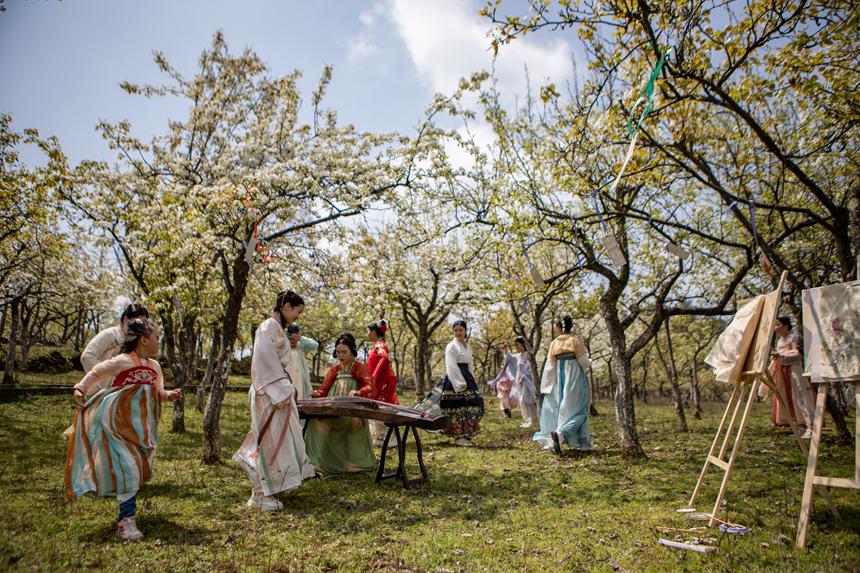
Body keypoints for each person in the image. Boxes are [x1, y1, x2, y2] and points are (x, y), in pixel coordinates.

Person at [65, 318, 182, 541]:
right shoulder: (123, 361)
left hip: (143, 429)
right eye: (156, 337)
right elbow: (97, 371)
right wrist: (81, 388)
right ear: (144, 339)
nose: (159, 341)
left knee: (139, 470)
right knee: (129, 470)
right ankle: (125, 523)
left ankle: (126, 515)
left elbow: (158, 392)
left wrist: (169, 395)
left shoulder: (154, 367)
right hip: (118, 427)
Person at [233, 291, 316, 512]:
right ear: (287, 306)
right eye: (298, 311)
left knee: (278, 441)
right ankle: (262, 494)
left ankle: (267, 489)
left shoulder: (277, 328)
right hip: (269, 393)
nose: (298, 316)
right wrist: (279, 391)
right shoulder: (268, 326)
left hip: (277, 391)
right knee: (268, 441)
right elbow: (264, 361)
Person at [305, 333, 377, 474]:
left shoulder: (359, 367)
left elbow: (370, 386)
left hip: (353, 409)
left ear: (352, 351)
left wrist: (358, 392)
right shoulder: (334, 370)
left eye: (344, 352)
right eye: (338, 352)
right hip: (334, 409)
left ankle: (352, 464)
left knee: (351, 424)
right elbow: (323, 390)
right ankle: (319, 462)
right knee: (315, 421)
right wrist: (316, 394)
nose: (341, 355)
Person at [533, 316, 592, 453]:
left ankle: (559, 436)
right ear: (571, 327)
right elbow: (584, 363)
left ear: (558, 327)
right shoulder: (575, 341)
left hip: (558, 380)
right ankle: (562, 434)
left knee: (562, 410)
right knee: (580, 410)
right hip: (575, 378)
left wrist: (546, 387)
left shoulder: (554, 343)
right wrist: (590, 361)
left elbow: (549, 367)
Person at [421, 320, 485, 447]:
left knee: (475, 405)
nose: (458, 332)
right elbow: (451, 365)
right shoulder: (451, 346)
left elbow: (470, 364)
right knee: (457, 408)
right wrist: (459, 383)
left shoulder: (468, 346)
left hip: (467, 377)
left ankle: (467, 433)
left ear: (465, 331)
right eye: (455, 330)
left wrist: (471, 379)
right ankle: (458, 437)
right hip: (455, 378)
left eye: (461, 330)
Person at [766, 316, 815, 437]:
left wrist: (781, 354)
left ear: (785, 325)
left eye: (778, 325)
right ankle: (799, 426)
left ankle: (810, 426)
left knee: (800, 395)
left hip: (794, 369)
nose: (776, 328)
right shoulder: (780, 341)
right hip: (782, 371)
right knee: (789, 398)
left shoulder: (793, 337)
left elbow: (797, 354)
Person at [80, 303, 150, 371]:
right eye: (139, 322)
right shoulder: (110, 334)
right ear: (126, 320)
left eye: (144, 323)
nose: (141, 327)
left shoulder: (137, 341)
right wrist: (105, 379)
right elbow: (87, 356)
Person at [366, 317, 399, 447]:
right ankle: (380, 438)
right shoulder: (379, 345)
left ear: (374, 332)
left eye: (368, 332)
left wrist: (374, 379)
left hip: (381, 383)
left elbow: (384, 359)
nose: (367, 335)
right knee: (377, 410)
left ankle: (392, 439)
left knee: (383, 410)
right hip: (380, 382)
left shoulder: (380, 346)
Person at [286, 323, 318, 401]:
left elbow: (315, 345)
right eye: (290, 338)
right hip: (287, 378)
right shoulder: (283, 348)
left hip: (300, 379)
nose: (292, 341)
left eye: (294, 338)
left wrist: (300, 338)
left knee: (300, 399)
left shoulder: (301, 346)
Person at [513, 337, 539, 429]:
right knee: (523, 400)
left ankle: (535, 420)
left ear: (523, 344)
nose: (516, 347)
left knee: (529, 400)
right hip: (520, 381)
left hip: (528, 380)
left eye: (517, 344)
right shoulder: (519, 356)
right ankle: (530, 419)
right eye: (515, 345)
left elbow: (530, 368)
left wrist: (523, 377)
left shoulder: (528, 355)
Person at [488, 343, 518, 418]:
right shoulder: (500, 380)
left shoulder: (507, 377)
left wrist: (508, 389)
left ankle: (508, 413)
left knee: (509, 403)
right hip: (502, 394)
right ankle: (506, 413)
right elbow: (498, 386)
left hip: (507, 393)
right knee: (504, 403)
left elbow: (510, 384)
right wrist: (502, 389)